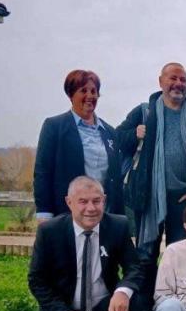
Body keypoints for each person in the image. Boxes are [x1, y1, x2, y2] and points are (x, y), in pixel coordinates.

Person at [116, 62, 186, 311]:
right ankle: (145, 307)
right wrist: (135, 134)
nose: (178, 84)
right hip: (150, 196)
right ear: (161, 82)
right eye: (173, 78)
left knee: (182, 256)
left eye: (182, 79)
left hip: (185, 200)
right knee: (146, 255)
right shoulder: (145, 111)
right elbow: (117, 139)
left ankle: (180, 308)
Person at [28, 176, 143, 311]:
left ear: (104, 200)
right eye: (83, 201)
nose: (91, 208)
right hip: (65, 307)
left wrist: (122, 291)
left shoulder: (118, 226)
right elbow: (36, 280)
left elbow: (133, 267)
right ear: (69, 202)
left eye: (96, 201)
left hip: (103, 307)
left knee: (133, 298)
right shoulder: (50, 232)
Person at [34, 70, 123, 221]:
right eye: (83, 91)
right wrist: (44, 214)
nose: (90, 96)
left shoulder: (110, 132)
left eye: (94, 91)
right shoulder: (54, 127)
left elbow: (116, 180)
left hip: (103, 214)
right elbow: (43, 173)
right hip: (67, 214)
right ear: (71, 95)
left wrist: (119, 218)